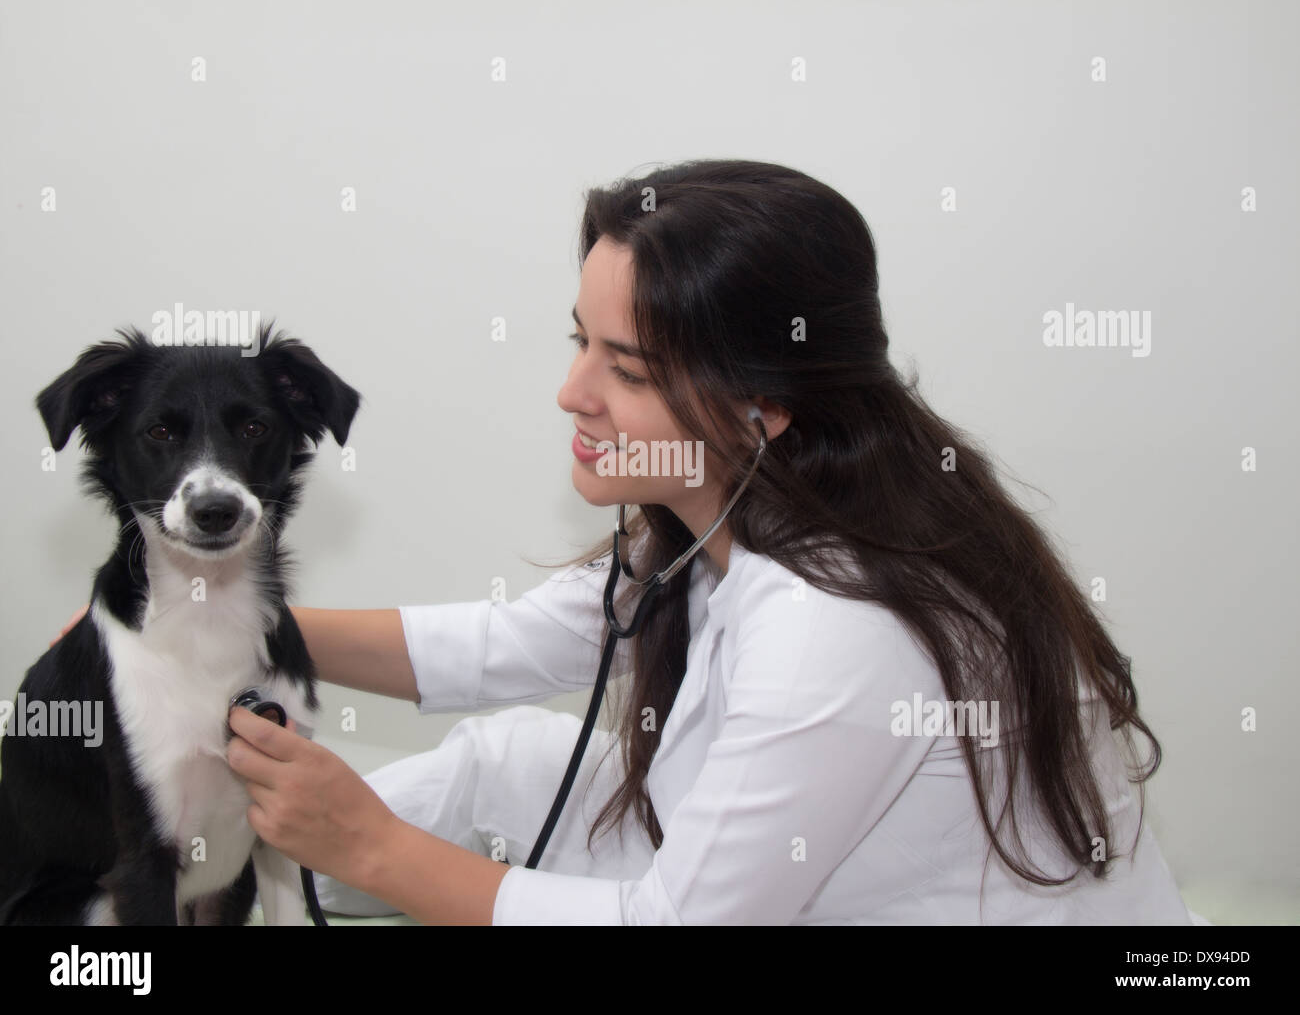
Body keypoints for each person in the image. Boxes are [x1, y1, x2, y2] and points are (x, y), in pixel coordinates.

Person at [52, 159, 1193, 925]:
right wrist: (196, 635)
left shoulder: (839, 635)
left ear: (765, 401)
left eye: (627, 368)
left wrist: (369, 845)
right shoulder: (724, 511)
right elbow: (507, 643)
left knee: (404, 824)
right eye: (578, 341)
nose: (569, 393)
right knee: (506, 761)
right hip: (765, 857)